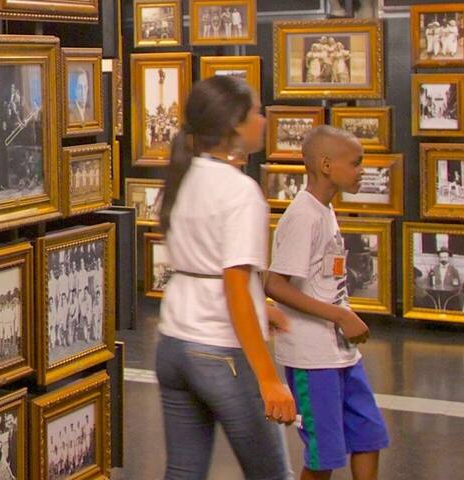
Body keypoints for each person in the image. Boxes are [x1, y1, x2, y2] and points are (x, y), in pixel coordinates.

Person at [152, 74, 293, 480]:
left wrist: (259, 304)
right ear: (235, 124)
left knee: (183, 472)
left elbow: (203, 265)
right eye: (257, 113)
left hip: (174, 344)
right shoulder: (240, 191)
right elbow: (232, 286)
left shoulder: (182, 176)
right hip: (220, 352)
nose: (263, 121)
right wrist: (268, 379)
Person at [264, 126, 389, 480]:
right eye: (356, 163)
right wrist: (340, 315)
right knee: (324, 454)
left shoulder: (325, 212)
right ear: (325, 165)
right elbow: (275, 283)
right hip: (312, 357)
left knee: (368, 435)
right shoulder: (303, 216)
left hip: (341, 352)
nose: (362, 170)